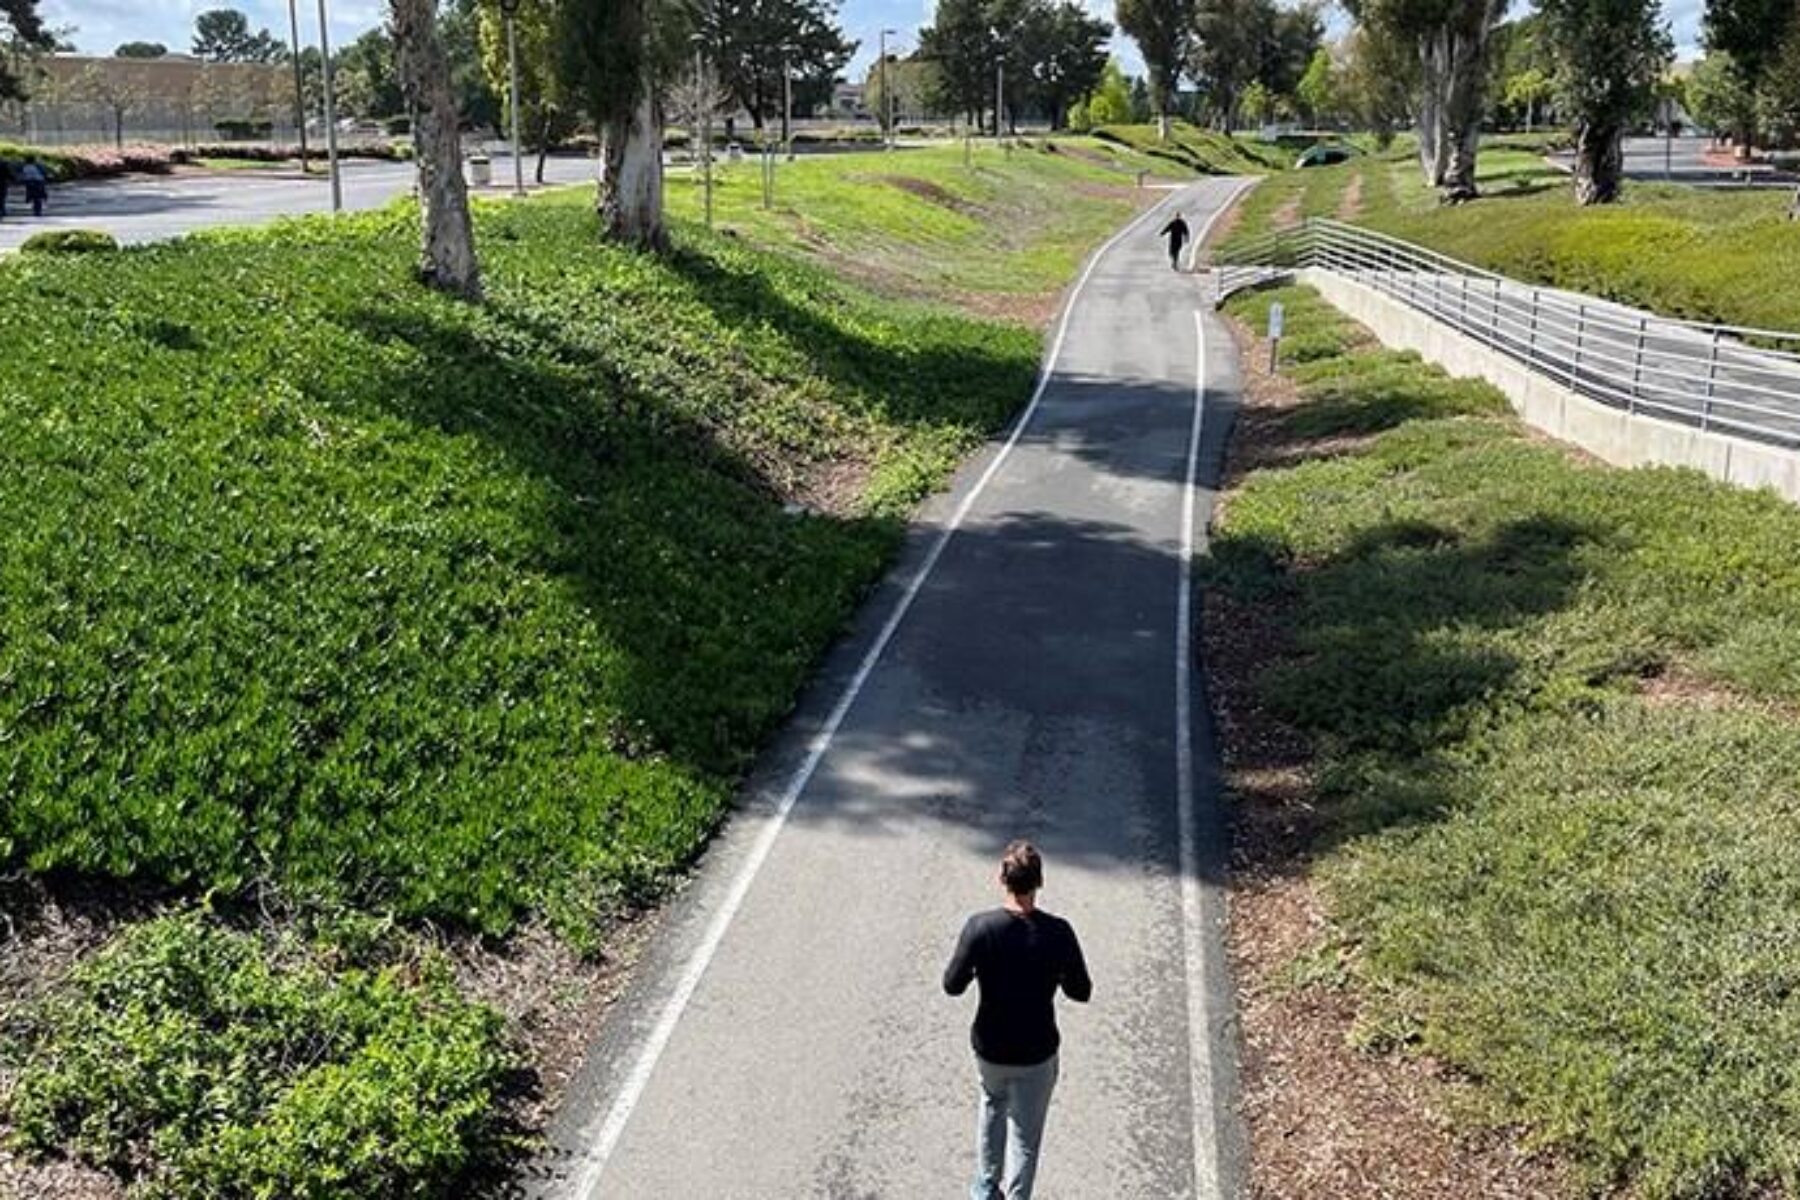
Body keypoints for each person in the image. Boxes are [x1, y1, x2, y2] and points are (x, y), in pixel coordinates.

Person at [943, 841, 1091, 1200]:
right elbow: (1080, 991)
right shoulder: (1058, 933)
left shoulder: (980, 928)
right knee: (1026, 1136)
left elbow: (952, 985)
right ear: (1039, 882)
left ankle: (985, 1187)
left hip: (990, 1048)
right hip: (1037, 1052)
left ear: (1001, 879)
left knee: (992, 1103)